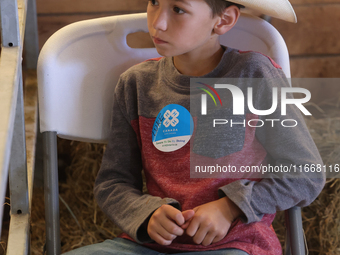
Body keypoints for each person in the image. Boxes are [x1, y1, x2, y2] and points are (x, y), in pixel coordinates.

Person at [64, 0, 325, 254]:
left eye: (178, 9)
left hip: (236, 244)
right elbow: (113, 182)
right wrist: (146, 213)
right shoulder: (136, 84)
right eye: (154, 2)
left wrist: (230, 207)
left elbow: (306, 173)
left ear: (223, 20)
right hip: (149, 246)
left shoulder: (254, 75)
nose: (158, 23)